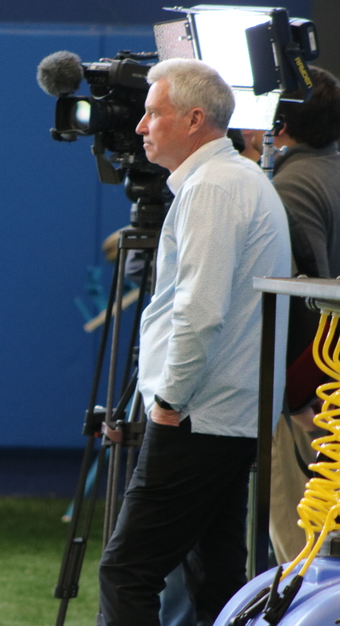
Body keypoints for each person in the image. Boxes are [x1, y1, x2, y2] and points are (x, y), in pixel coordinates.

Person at [97, 58, 291, 626]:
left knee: (127, 571)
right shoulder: (235, 180)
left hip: (196, 417)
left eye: (152, 113)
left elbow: (199, 312)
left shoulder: (214, 189)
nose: (139, 127)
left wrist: (166, 402)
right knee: (217, 581)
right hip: (225, 416)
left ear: (194, 119)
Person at [267, 65, 340, 563]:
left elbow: (306, 294)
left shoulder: (290, 184)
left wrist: (293, 397)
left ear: (281, 118)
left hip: (313, 391)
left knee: (301, 555)